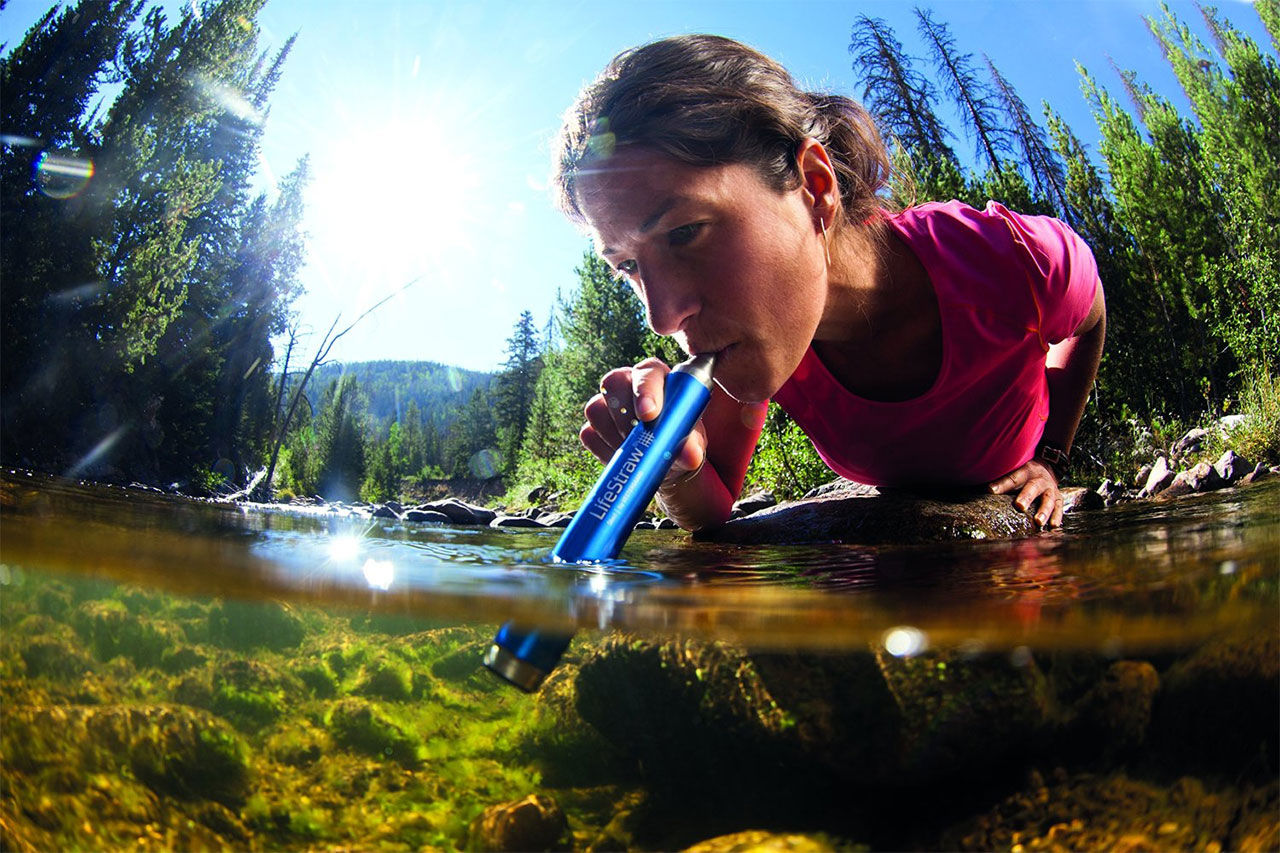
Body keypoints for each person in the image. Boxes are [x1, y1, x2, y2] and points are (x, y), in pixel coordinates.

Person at [552, 34, 1106, 533]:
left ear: (815, 187)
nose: (664, 316)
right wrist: (676, 469)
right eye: (627, 265)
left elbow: (1092, 315)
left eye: (685, 232)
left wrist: (1052, 456)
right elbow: (714, 503)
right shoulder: (759, 338)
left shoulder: (1006, 260)